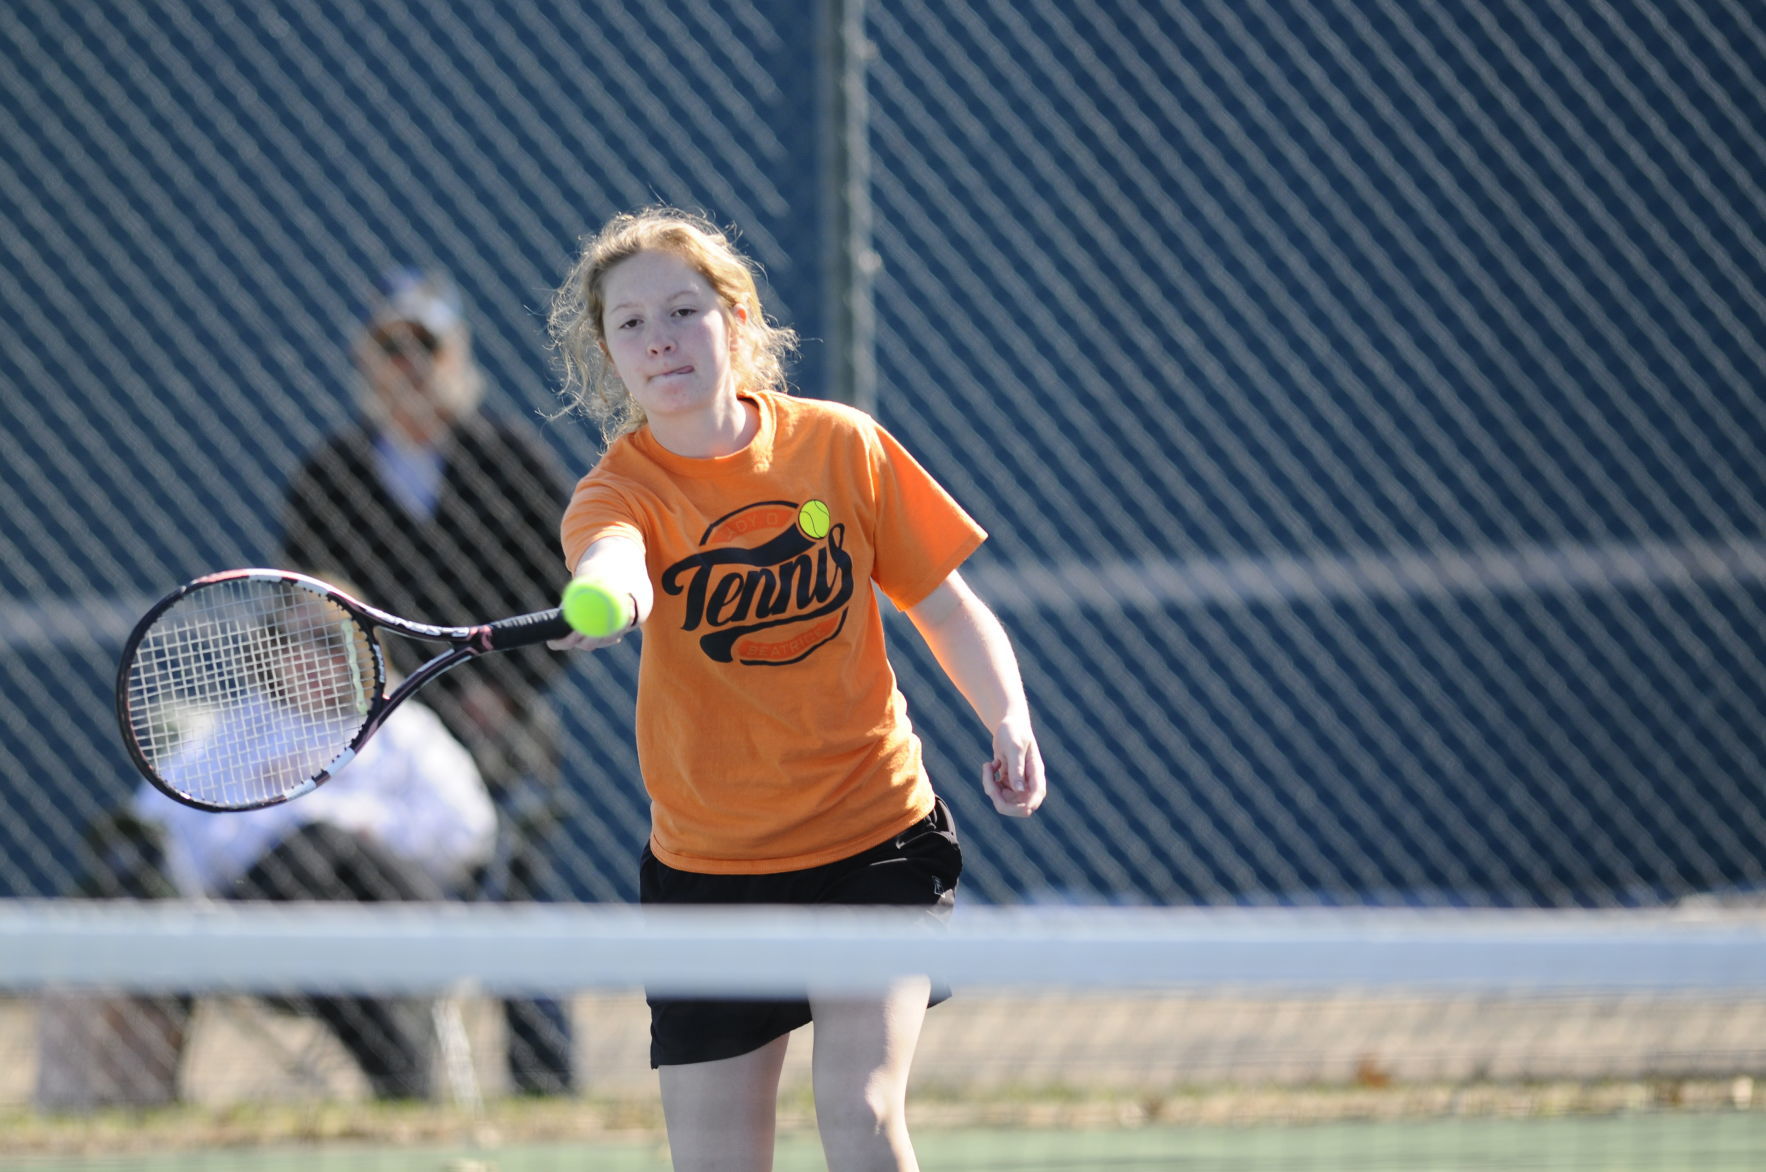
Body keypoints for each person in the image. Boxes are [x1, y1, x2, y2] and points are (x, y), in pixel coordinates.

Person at [546, 207, 1046, 1172]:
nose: (661, 340)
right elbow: (612, 564)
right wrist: (604, 596)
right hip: (706, 869)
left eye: (684, 310)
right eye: (631, 325)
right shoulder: (615, 495)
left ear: (737, 321)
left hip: (873, 839)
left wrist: (1008, 715)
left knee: (859, 1112)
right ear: (608, 354)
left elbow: (945, 609)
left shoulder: (842, 448)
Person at [280, 267, 580, 1094]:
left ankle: (546, 1087)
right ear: (366, 362)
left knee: (515, 887)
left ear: (457, 357)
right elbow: (308, 601)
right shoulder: (330, 474)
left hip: (499, 716)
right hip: (374, 727)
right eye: (391, 349)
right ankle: (402, 1074)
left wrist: (506, 691)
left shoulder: (508, 460)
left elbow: (567, 592)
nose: (408, 367)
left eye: (425, 348)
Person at [128, 596, 499, 1101]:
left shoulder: (406, 731)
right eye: (291, 640)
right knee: (310, 868)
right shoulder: (235, 733)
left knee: (327, 846)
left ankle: (402, 1082)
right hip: (266, 931)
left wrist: (358, 822)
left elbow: (468, 832)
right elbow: (160, 826)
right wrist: (292, 833)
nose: (309, 657)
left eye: (327, 641)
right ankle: (404, 1086)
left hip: (395, 919)